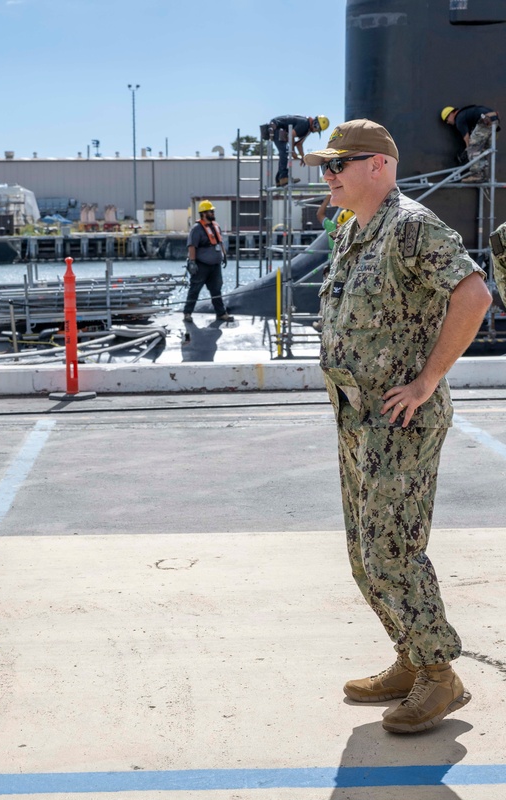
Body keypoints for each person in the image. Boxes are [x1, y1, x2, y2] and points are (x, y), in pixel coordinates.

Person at [307, 119, 491, 734]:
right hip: (357, 418)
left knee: (392, 552)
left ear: (378, 167)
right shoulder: (352, 230)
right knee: (365, 556)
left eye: (339, 166)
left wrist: (426, 380)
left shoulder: (411, 226)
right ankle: (411, 659)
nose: (328, 176)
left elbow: (474, 294)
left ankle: (440, 673)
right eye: (326, 167)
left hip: (399, 421)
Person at [183, 199, 233, 323]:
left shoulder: (215, 226)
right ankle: (187, 313)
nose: (213, 213)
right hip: (202, 265)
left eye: (212, 211)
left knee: (216, 289)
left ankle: (221, 313)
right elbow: (192, 246)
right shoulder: (197, 229)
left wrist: (224, 255)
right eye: (211, 211)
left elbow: (219, 242)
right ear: (204, 213)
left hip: (215, 266)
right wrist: (192, 262)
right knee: (195, 289)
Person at [441, 105, 500, 183]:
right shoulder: (465, 114)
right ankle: (483, 175)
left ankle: (476, 175)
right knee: (483, 151)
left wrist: (468, 151)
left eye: (446, 120)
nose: (448, 122)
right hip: (494, 120)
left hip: (485, 120)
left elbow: (467, 138)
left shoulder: (459, 118)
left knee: (473, 148)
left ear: (451, 114)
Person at [268, 115, 330, 186]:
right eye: (317, 128)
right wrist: (292, 151)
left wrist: (303, 157)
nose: (315, 130)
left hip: (281, 129)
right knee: (284, 152)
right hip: (277, 126)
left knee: (284, 152)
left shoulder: (308, 129)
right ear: (315, 123)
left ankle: (279, 179)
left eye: (318, 130)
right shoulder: (304, 124)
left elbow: (299, 144)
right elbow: (291, 134)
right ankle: (283, 177)